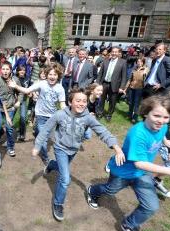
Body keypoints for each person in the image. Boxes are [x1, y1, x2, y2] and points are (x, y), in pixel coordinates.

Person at [86, 95, 170, 231]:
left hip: (141, 174)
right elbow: (139, 163)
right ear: (146, 113)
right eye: (156, 116)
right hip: (123, 171)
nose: (161, 121)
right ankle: (93, 191)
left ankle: (128, 225)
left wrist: (166, 142)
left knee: (151, 206)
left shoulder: (162, 126)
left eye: (166, 117)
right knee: (110, 190)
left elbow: (163, 133)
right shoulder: (138, 133)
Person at [32, 88, 124, 221]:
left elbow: (102, 131)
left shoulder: (87, 118)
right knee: (65, 179)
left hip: (73, 150)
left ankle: (52, 164)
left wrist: (117, 148)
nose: (81, 104)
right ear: (70, 102)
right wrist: (37, 146)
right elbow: (45, 130)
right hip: (60, 148)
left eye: (84, 101)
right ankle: (58, 204)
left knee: (62, 169)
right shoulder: (59, 115)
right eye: (78, 101)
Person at [9, 64, 65, 165]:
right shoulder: (42, 84)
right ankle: (46, 158)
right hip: (40, 115)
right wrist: (16, 86)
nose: (52, 76)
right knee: (43, 139)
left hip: (52, 117)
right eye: (50, 74)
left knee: (46, 136)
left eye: (55, 74)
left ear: (58, 76)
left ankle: (37, 134)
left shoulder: (60, 88)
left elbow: (62, 104)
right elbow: (27, 90)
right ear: (46, 75)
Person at [0, 62, 23, 157]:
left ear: (10, 70)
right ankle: (0, 133)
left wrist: (19, 102)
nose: (5, 71)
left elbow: (21, 92)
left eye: (7, 69)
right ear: (1, 70)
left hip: (10, 107)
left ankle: (10, 147)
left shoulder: (15, 80)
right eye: (3, 69)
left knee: (9, 128)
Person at [97, 46, 127, 122]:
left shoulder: (123, 62)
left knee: (112, 101)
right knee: (101, 99)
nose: (114, 53)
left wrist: (122, 87)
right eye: (113, 51)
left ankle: (109, 115)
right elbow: (100, 73)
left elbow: (124, 76)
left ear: (118, 53)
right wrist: (98, 83)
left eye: (115, 52)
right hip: (104, 83)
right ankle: (100, 112)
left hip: (115, 85)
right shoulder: (106, 60)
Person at [125, 57, 149, 123]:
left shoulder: (145, 69)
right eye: (138, 61)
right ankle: (129, 114)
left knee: (137, 104)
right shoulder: (134, 69)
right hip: (132, 88)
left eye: (141, 62)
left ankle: (135, 117)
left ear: (143, 63)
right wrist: (125, 88)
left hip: (139, 89)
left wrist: (145, 70)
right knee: (131, 102)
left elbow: (146, 76)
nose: (139, 63)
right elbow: (130, 79)